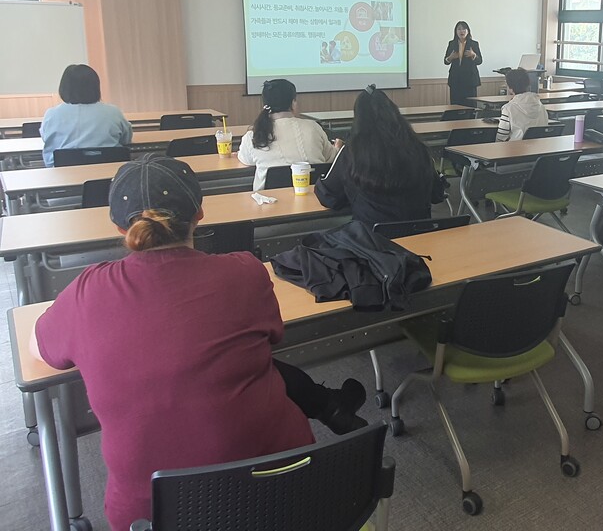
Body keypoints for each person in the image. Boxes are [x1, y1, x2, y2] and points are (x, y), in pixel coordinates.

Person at [29, 155, 366, 531]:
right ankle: (330, 406)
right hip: (287, 491)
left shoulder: (85, 292)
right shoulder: (244, 272)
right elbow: (272, 338)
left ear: (117, 225)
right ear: (200, 213)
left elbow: (39, 349)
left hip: (154, 516)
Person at [315, 85, 438, 226]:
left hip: (373, 240)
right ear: (393, 113)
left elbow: (329, 197)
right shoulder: (417, 148)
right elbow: (436, 194)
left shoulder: (352, 151)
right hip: (420, 236)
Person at [238, 79, 339, 191]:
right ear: (293, 103)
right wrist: (337, 148)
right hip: (314, 198)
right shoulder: (313, 127)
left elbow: (245, 159)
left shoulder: (253, 135)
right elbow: (331, 158)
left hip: (270, 203)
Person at [40, 64, 132, 167]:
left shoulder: (52, 114)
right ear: (95, 87)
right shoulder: (113, 112)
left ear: (64, 88)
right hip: (109, 173)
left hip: (64, 173)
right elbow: (126, 139)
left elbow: (46, 138)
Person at [496, 68, 549, 141]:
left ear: (510, 88)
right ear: (527, 84)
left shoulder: (508, 109)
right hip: (540, 148)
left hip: (516, 150)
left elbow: (501, 138)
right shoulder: (541, 106)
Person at [443, 21, 482, 106]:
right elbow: (445, 61)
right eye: (459, 29)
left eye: (464, 29)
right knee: (455, 105)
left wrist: (473, 55)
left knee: (470, 106)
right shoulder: (452, 44)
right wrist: (451, 57)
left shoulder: (474, 44)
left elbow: (480, 61)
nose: (462, 31)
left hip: (470, 80)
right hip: (455, 80)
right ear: (456, 31)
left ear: (468, 31)